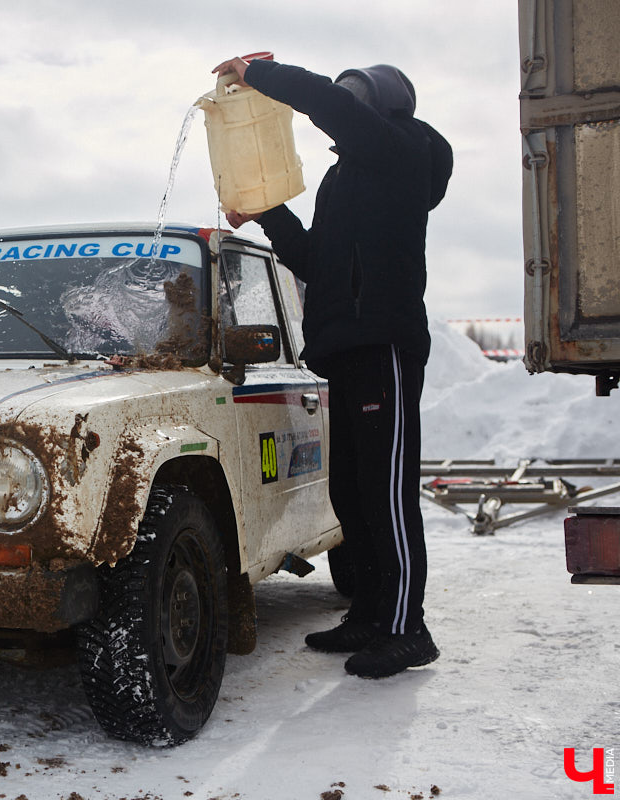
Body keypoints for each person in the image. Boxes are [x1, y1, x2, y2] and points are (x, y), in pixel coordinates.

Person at [212, 55, 453, 678]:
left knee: (387, 494)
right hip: (341, 349)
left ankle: (407, 628)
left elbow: (332, 105)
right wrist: (265, 212)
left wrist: (260, 75)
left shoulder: (403, 151)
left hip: (384, 346)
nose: (339, 113)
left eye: (353, 100)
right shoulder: (344, 180)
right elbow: (313, 260)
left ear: (382, 106)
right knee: (351, 491)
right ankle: (370, 613)